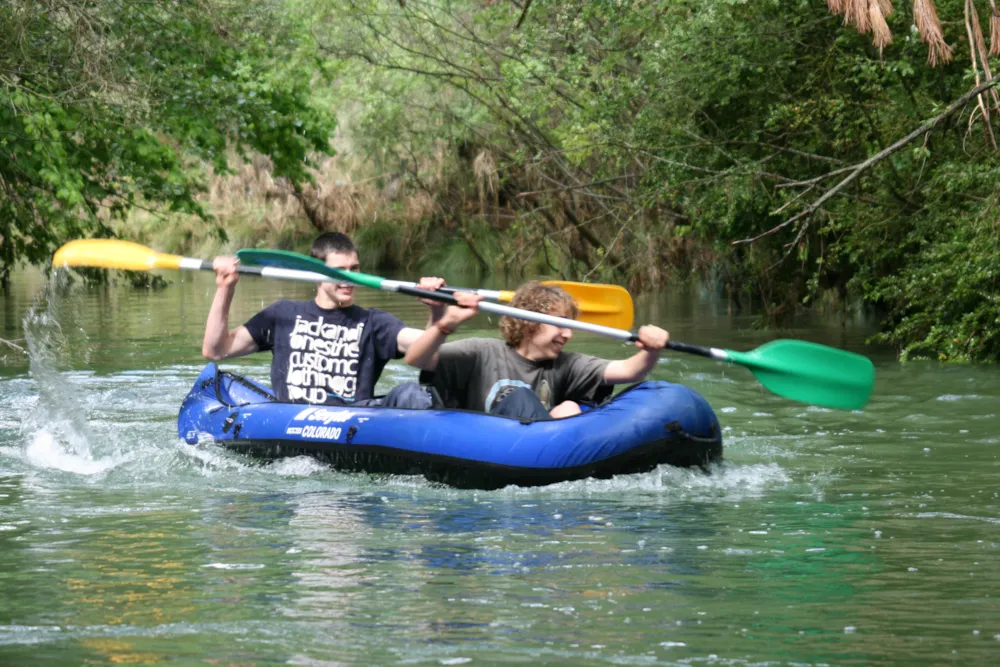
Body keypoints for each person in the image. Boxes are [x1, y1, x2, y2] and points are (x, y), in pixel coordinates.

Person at [202, 232, 444, 407]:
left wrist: (437, 314)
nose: (349, 279)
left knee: (412, 394)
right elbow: (216, 350)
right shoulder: (282, 314)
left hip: (354, 426)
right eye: (339, 271)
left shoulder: (373, 322)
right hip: (290, 424)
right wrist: (226, 287)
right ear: (316, 272)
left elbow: (429, 356)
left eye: (355, 269)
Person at [404, 281, 670, 420]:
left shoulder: (568, 364)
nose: (568, 334)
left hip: (536, 456)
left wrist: (651, 350)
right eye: (560, 324)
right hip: (483, 450)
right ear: (528, 320)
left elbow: (629, 370)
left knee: (568, 409)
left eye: (570, 325)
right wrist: (446, 323)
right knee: (520, 398)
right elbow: (416, 358)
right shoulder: (481, 352)